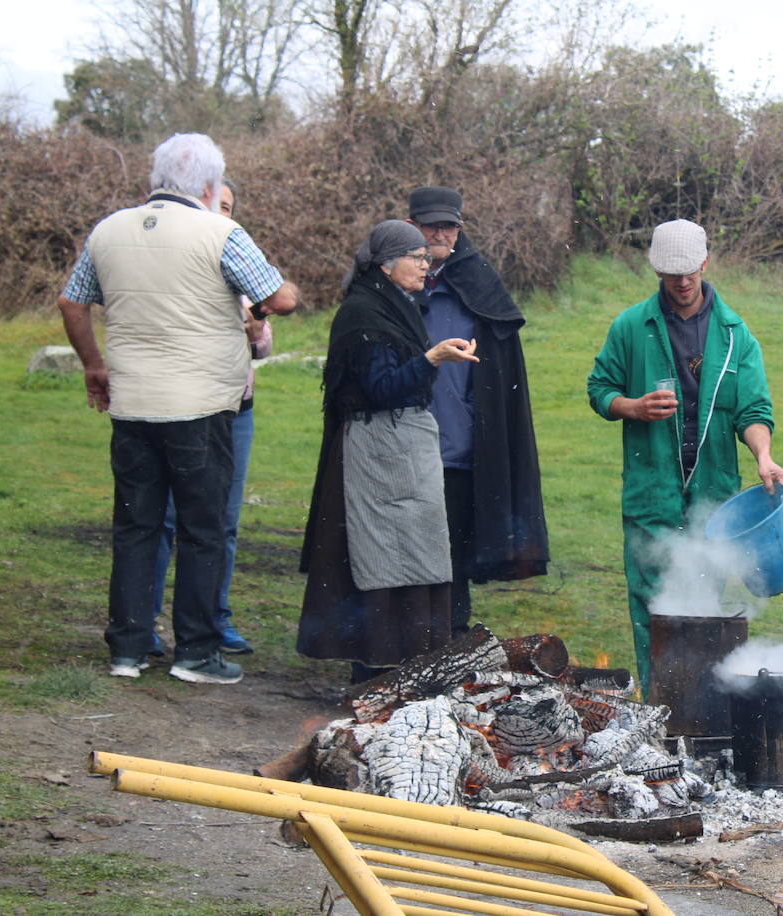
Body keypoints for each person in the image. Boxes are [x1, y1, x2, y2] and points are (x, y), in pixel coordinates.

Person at [56, 132, 298, 685]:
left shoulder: (108, 231)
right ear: (212, 186)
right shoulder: (222, 232)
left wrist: (94, 363)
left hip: (132, 403)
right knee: (202, 529)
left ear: (155, 177)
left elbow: (73, 302)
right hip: (200, 405)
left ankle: (128, 648)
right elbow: (279, 298)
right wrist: (280, 297)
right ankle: (196, 653)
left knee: (136, 526)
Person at [587, 219, 783, 690]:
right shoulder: (632, 326)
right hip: (650, 492)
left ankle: (696, 709)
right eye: (670, 273)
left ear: (704, 262)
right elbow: (599, 389)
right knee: (653, 604)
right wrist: (631, 406)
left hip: (712, 497)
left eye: (689, 272)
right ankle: (658, 711)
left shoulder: (736, 334)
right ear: (657, 270)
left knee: (701, 602)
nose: (681, 283)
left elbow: (754, 410)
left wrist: (763, 455)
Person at [297, 220, 479, 684]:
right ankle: (376, 667)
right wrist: (432, 359)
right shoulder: (363, 314)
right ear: (385, 264)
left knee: (417, 550)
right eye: (415, 257)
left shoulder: (397, 306)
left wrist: (432, 359)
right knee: (382, 554)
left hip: (403, 446)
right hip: (377, 451)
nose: (425, 264)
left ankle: (408, 664)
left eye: (425, 257)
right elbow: (380, 389)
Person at [406, 186, 549, 636]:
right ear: (412, 227)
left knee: (452, 553)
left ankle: (447, 643)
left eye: (448, 226)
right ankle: (401, 644)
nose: (440, 234)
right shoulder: (393, 281)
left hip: (459, 444)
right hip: (403, 440)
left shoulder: (478, 282)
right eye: (431, 225)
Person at [150, 178, 265, 657]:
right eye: (214, 204)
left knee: (226, 522)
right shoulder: (178, 259)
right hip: (185, 409)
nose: (222, 213)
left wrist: (257, 330)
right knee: (167, 520)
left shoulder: (242, 262)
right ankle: (149, 624)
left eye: (230, 206)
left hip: (236, 409)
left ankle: (217, 619)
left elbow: (263, 344)